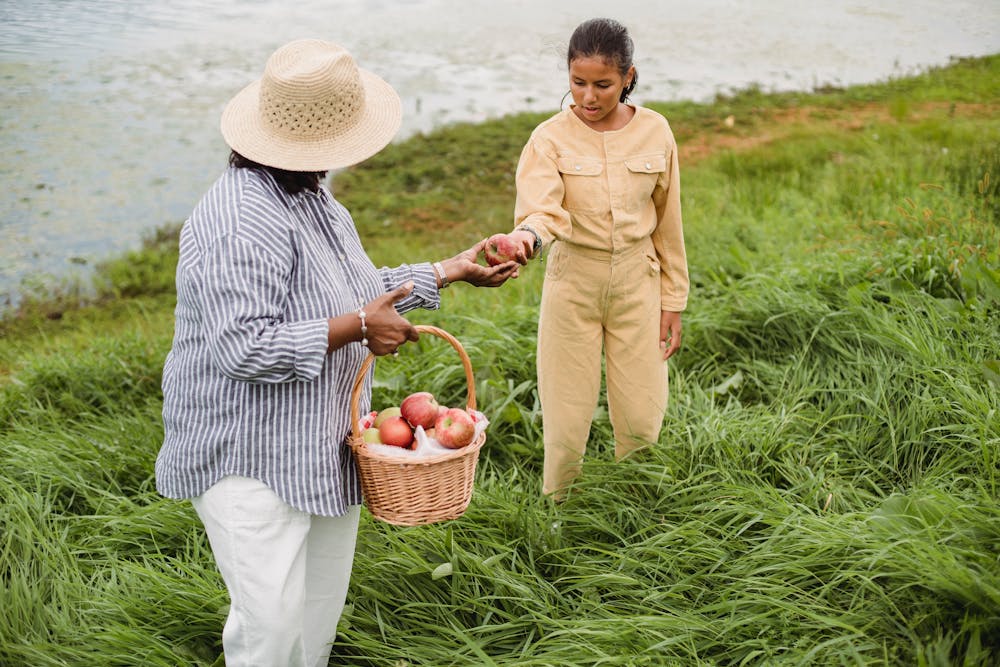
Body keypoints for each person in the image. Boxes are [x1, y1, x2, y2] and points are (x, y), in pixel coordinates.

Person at [154, 38, 518, 667]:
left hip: (320, 442)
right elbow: (244, 346)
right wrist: (356, 328)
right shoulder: (239, 219)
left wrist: (447, 270)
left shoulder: (312, 198)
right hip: (251, 459)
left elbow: (355, 292)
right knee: (268, 633)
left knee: (316, 616)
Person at [503, 18, 690, 499]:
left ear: (629, 75)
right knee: (566, 423)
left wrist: (674, 300)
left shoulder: (656, 131)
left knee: (643, 419)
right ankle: (558, 517)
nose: (588, 97)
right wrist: (525, 238)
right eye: (577, 83)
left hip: (639, 283)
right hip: (573, 285)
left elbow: (669, 222)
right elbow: (542, 211)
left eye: (603, 85)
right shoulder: (547, 139)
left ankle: (640, 512)